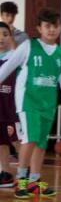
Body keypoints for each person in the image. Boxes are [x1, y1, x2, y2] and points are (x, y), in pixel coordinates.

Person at [0, 7, 61, 198]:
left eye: (55, 26)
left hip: (47, 103)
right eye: (47, 26)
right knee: (30, 138)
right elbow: (7, 67)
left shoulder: (60, 53)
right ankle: (21, 180)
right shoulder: (28, 46)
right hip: (28, 101)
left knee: (41, 143)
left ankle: (34, 181)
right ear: (39, 28)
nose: (52, 29)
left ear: (60, 28)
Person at [0, 22, 21, 187]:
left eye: (5, 35)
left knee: (17, 142)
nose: (1, 38)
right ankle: (6, 173)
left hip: (13, 109)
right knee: (1, 141)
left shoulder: (16, 58)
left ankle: (30, 175)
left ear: (11, 38)